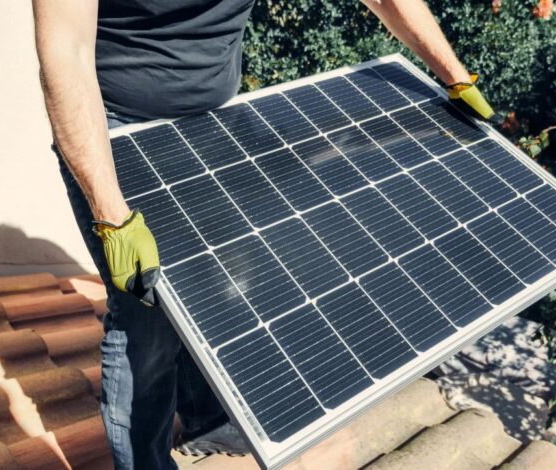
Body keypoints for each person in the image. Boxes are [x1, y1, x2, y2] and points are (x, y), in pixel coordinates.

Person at [32, 1, 498, 468]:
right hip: (116, 128)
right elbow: (64, 52)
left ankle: (206, 421)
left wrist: (454, 74)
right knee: (146, 316)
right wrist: (112, 215)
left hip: (215, 122)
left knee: (208, 289)